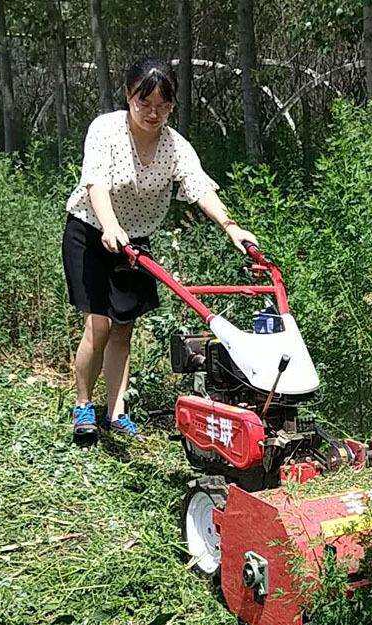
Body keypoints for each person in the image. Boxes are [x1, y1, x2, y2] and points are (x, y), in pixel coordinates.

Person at [63, 57, 258, 441]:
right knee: (98, 326)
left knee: (123, 329)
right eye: (144, 103)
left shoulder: (174, 146)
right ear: (128, 96)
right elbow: (95, 184)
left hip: (135, 241)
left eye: (162, 105)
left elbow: (199, 186)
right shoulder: (105, 130)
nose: (153, 113)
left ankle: (117, 412)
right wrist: (111, 224)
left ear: (171, 105)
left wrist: (231, 227)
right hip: (89, 230)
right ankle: (83, 407)